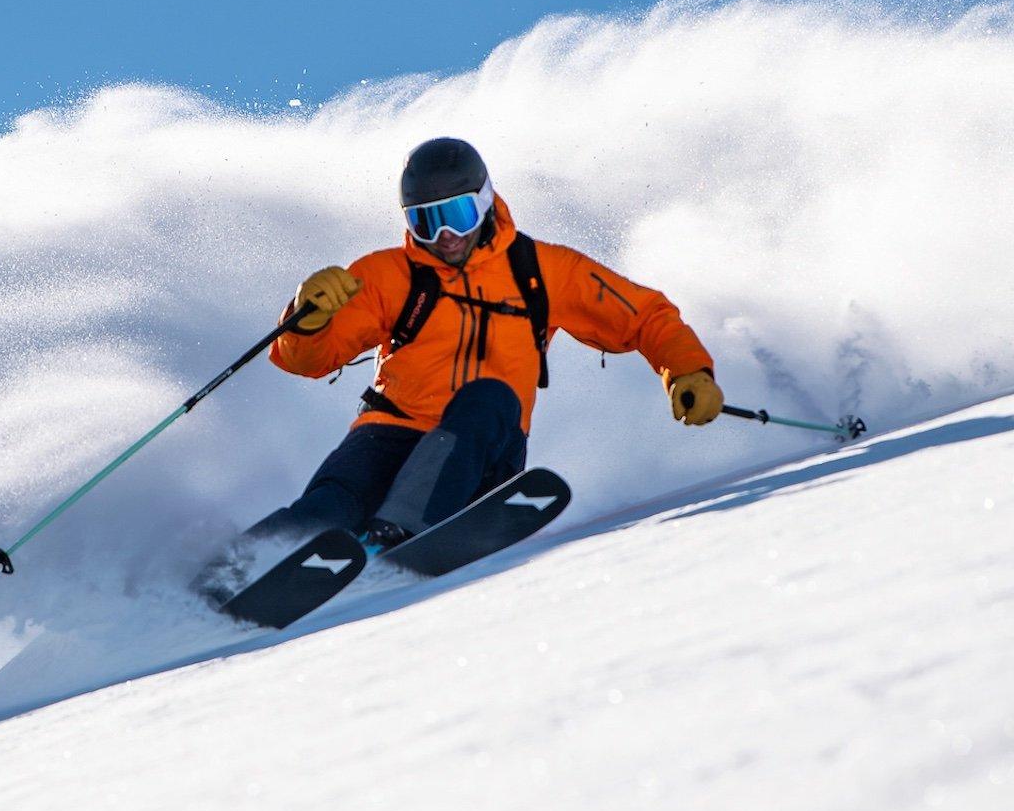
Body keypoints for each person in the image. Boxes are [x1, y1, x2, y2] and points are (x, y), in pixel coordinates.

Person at [237, 136, 722, 556]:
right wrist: (307, 318)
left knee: (488, 396)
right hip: (390, 432)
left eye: (458, 214)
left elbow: (644, 315)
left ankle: (399, 534)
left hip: (483, 450)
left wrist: (687, 369)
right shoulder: (387, 274)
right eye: (428, 223)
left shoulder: (541, 270)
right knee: (329, 507)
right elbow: (306, 361)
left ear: (486, 201)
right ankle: (225, 577)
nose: (446, 236)